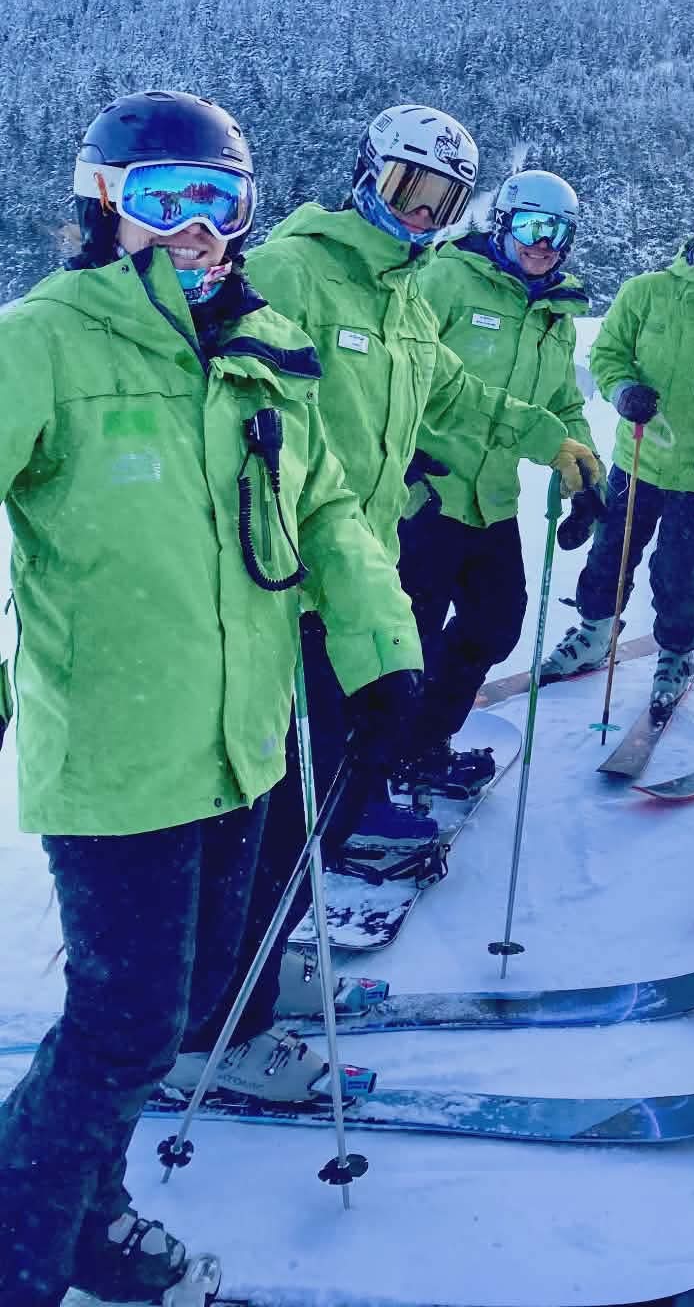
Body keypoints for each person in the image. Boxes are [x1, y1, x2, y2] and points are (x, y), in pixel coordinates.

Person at [0, 91, 422, 1307]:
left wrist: (378, 650)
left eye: (218, 200)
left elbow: (326, 508)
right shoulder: (47, 340)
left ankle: (88, 1212)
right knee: (122, 1025)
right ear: (103, 209)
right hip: (118, 755)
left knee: (185, 1004)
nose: (194, 226)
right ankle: (27, 1243)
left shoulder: (259, 344)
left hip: (243, 747)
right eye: (162, 198)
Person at [218, 105, 600, 1046]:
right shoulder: (294, 271)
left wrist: (551, 439)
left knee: (331, 783)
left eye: (443, 202)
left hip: (362, 575)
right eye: (406, 191)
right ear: (365, 176)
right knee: (281, 802)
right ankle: (221, 1005)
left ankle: (257, 959)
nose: (422, 216)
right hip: (288, 583)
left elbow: (455, 393)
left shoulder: (405, 296)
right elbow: (218, 407)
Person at [399, 167, 601, 782]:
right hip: (423, 492)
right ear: (503, 224)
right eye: (532, 227)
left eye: (558, 233)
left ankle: (423, 743)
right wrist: (398, 451)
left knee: (494, 627)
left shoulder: (554, 316)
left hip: (492, 501)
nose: (543, 244)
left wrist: (585, 472)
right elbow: (401, 366)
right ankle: (371, 767)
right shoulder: (446, 279)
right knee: (404, 641)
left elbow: (563, 404)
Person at [542, 197, 694, 709]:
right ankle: (594, 632)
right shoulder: (646, 291)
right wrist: (623, 390)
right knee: (610, 554)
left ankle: (676, 651)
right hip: (640, 458)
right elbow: (609, 352)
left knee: (678, 570)